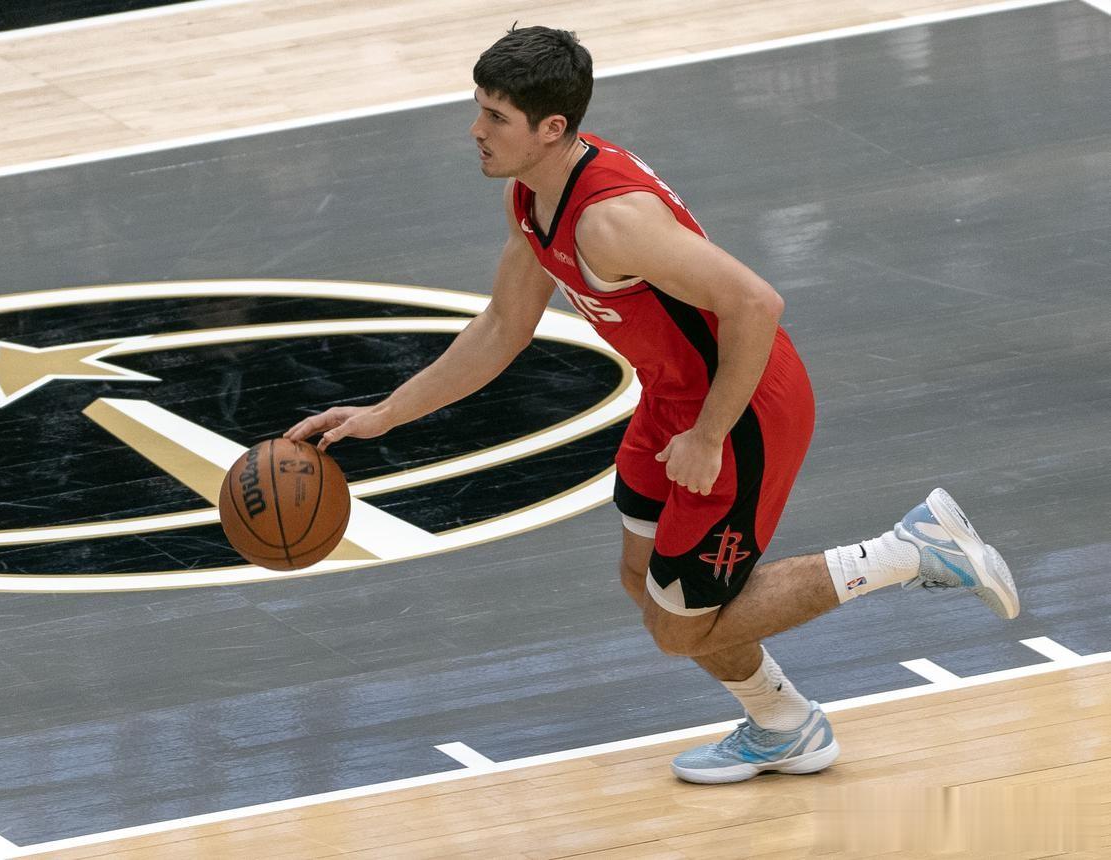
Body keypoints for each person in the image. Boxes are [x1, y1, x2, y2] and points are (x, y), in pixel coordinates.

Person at [285, 25, 1020, 784]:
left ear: (552, 128)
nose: (476, 129)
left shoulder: (612, 222)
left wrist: (709, 435)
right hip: (674, 399)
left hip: (742, 408)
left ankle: (910, 551)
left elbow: (756, 304)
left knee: (678, 628)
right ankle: (784, 725)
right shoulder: (531, 196)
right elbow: (504, 326)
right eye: (480, 108)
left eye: (495, 116)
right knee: (643, 578)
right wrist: (383, 415)